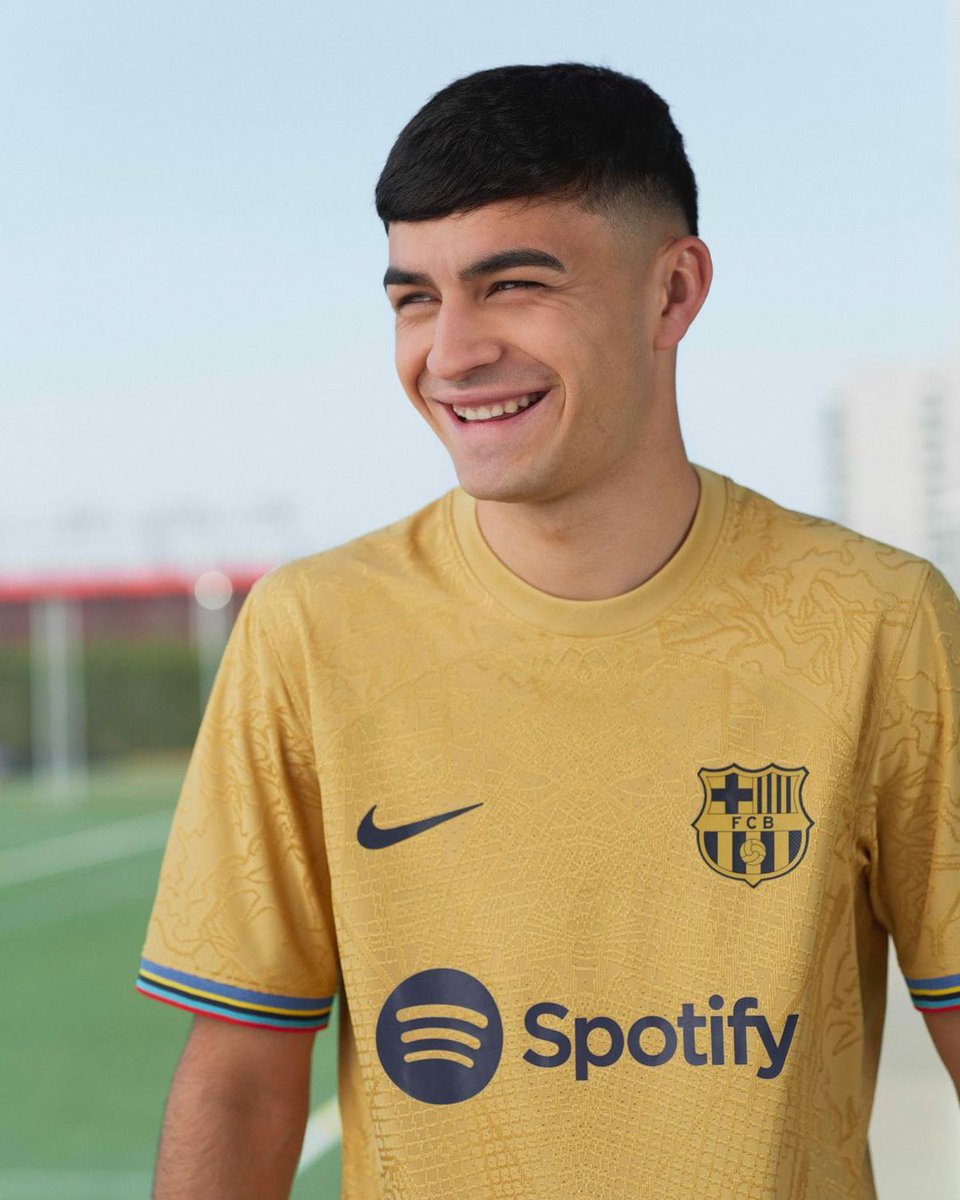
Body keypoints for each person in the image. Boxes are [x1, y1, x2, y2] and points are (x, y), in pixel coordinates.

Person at [137, 63, 960, 1199]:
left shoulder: (878, 620)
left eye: (513, 285)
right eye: (414, 298)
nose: (451, 352)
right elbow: (241, 1082)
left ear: (673, 292)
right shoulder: (311, 630)